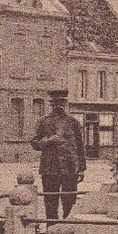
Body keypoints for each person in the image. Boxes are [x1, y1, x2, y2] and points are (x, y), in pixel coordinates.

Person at [31, 89, 86, 227]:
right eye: (55, 102)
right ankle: (52, 229)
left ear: (65, 103)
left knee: (69, 201)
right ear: (51, 104)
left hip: (70, 168)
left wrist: (81, 169)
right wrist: (49, 140)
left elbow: (80, 147)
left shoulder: (73, 122)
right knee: (50, 202)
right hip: (50, 169)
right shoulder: (42, 122)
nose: (58, 105)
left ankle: (67, 229)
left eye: (61, 102)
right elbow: (35, 143)